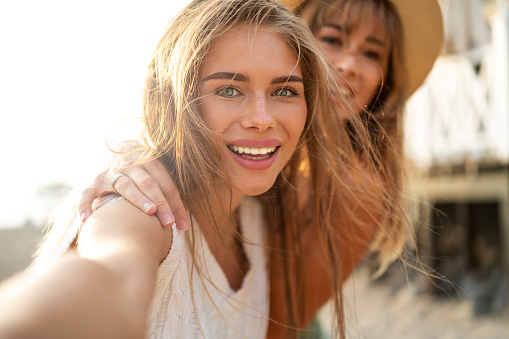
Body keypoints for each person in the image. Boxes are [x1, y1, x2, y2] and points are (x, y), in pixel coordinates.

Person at [0, 0, 384, 338]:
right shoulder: (142, 207)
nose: (262, 119)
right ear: (175, 99)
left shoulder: (261, 216)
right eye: (229, 89)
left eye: (285, 91)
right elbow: (110, 276)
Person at [75, 0, 443, 337]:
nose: (349, 64)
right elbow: (110, 271)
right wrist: (132, 160)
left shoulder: (354, 186)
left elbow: (271, 325)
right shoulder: (254, 151)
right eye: (332, 38)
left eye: (372, 52)